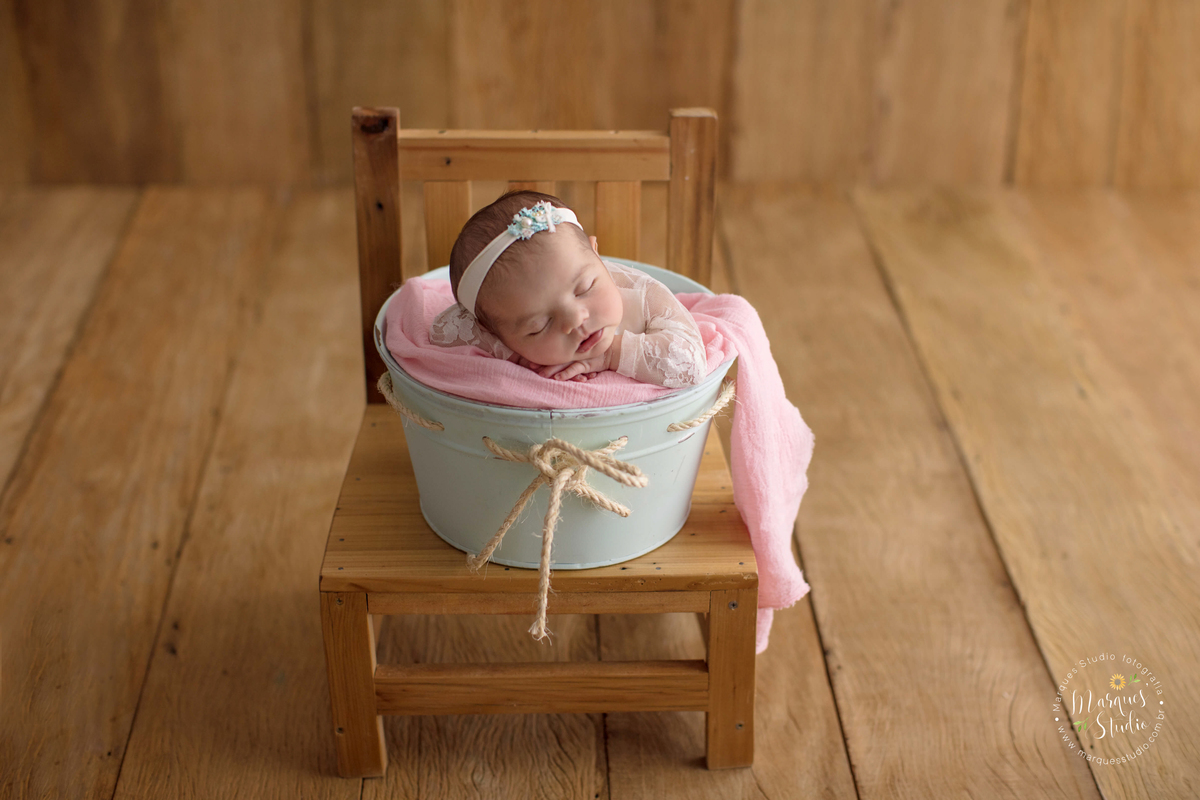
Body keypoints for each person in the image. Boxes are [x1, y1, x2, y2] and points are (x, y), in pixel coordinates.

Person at [429, 190, 708, 389]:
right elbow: (441, 331)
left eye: (584, 288)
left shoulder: (641, 293)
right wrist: (510, 352)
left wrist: (610, 355)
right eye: (539, 326)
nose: (575, 319)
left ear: (597, 254)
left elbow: (691, 365)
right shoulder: (500, 325)